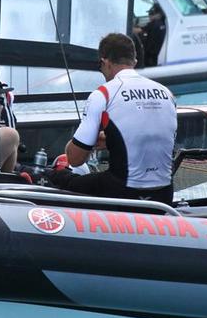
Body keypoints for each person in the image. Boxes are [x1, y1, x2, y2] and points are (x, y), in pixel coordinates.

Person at [49, 33, 178, 203]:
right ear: (134, 62)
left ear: (105, 63)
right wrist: (111, 140)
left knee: (59, 176)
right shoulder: (167, 93)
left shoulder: (103, 94)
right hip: (164, 194)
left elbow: (76, 158)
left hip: (122, 193)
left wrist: (83, 144)